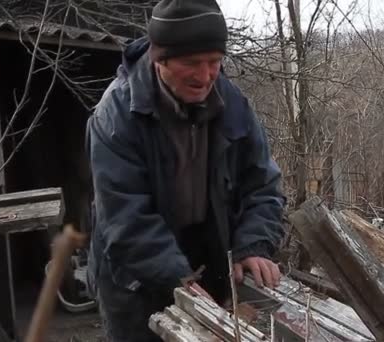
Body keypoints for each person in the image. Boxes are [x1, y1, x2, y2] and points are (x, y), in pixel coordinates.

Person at [85, 0, 286, 340]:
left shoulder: (233, 104)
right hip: (135, 281)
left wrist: (253, 244)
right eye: (192, 63)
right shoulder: (115, 117)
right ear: (159, 59)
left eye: (215, 62)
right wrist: (177, 279)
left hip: (207, 257)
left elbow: (263, 184)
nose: (206, 76)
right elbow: (124, 217)